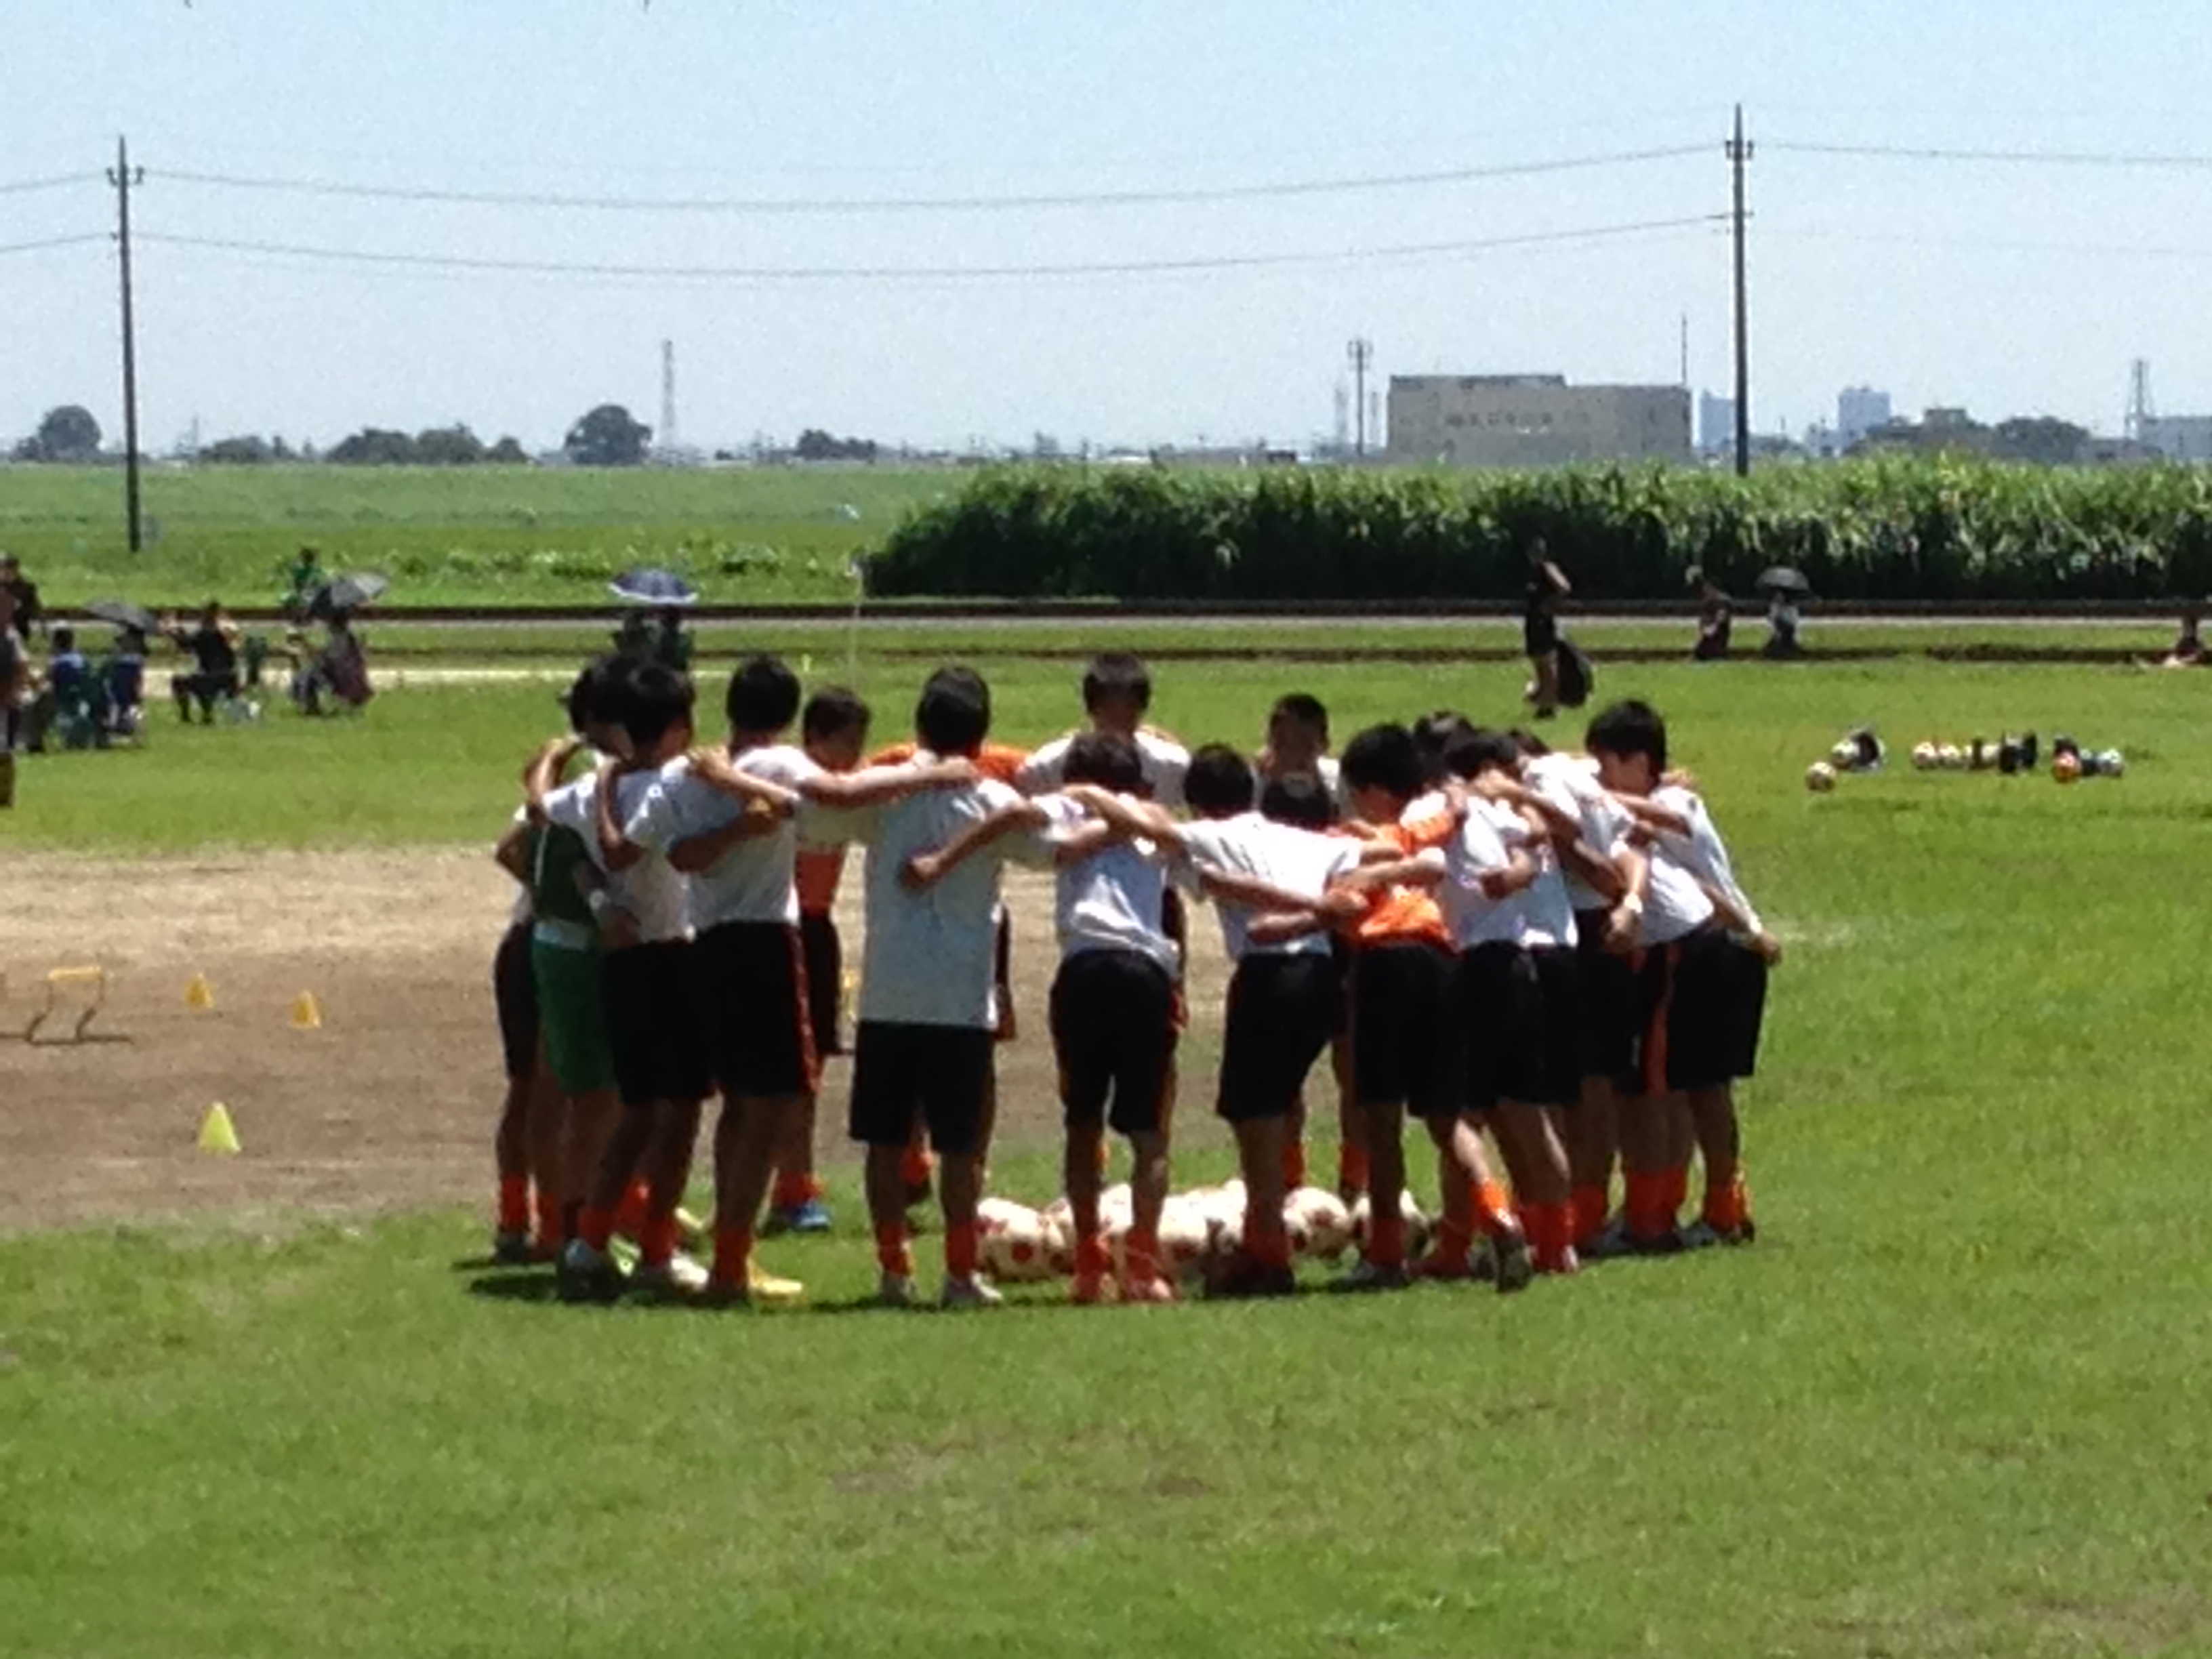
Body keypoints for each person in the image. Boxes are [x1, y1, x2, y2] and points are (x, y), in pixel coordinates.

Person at [613, 655, 978, 1305]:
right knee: (773, 1106)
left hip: (705, 943)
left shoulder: (684, 774)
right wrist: (932, 776)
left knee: (738, 1104)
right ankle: (731, 1263)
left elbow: (669, 852)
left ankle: (714, 1253)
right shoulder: (778, 763)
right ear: (786, 717)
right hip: (764, 944)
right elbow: (839, 796)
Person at [905, 731, 1184, 1306]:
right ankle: (1139, 1267)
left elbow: (1018, 816)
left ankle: (1090, 1264)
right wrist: (1107, 808)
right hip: (1140, 973)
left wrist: (1085, 797)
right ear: (1138, 780)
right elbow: (1150, 829)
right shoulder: (1145, 811)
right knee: (1148, 1132)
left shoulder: (1082, 807)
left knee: (1084, 1123)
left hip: (1084, 970)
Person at [1074, 747, 1364, 1298]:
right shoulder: (1306, 838)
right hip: (1323, 975)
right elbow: (1366, 856)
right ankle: (1266, 1235)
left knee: (1257, 1120)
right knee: (1274, 1107)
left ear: (1197, 803)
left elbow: (1143, 825)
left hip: (1268, 977)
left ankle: (1268, 1253)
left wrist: (1088, 793)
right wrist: (1323, 905)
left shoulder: (1210, 834)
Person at [1277, 724, 1534, 1292]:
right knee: (1447, 1116)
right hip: (1441, 957)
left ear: (1370, 792)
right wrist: (1459, 794)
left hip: (1384, 960)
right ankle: (1499, 1214)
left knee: (1382, 1117)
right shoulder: (1416, 830)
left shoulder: (1338, 841)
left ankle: (1387, 1253)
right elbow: (1455, 816)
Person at [550, 663, 714, 1300]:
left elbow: (540, 813)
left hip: (621, 962)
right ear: (676, 730)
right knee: (681, 1114)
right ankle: (656, 1251)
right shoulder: (674, 785)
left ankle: (589, 1241)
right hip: (671, 956)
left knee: (638, 1111)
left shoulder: (593, 786)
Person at [1583, 699, 1738, 1253]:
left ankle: (1659, 1216)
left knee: (1667, 1087)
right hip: (1707, 941)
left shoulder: (1671, 802)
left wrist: (1593, 797)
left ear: (1639, 761)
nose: (1598, 777)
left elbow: (1670, 822)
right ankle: (1696, 1206)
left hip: (1691, 946)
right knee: (1684, 1087)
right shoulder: (1654, 797)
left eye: (1606, 764)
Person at [771, 687, 874, 1234]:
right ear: (813, 738)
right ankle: (792, 1186)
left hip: (819, 929)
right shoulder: (801, 786)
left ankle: (794, 1180)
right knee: (792, 1068)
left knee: (812, 1067)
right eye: (845, 744)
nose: (853, 757)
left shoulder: (844, 789)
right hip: (788, 928)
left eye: (860, 745)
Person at [168, 602, 243, 722]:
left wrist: (174, 633)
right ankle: (207, 714)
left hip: (210, 676)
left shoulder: (204, 633)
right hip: (230, 677)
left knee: (179, 681)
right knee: (199, 679)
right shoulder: (224, 633)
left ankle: (188, 716)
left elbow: (185, 645)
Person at [1522, 540, 1572, 718]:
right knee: (1538, 662)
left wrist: (1549, 606)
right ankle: (1543, 702)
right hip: (1533, 621)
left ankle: (1550, 705)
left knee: (1547, 664)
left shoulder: (1547, 568)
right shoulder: (1534, 572)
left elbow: (1564, 588)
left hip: (1543, 622)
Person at [293, 613, 374, 716]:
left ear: (333, 625)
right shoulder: (348, 638)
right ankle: (310, 705)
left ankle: (311, 707)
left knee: (309, 673)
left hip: (344, 682)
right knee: (309, 672)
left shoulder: (340, 639)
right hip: (350, 681)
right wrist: (308, 647)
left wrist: (305, 645)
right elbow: (327, 657)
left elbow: (326, 661)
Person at [0, 586, 24, 806]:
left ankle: (4, 795)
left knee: (3, 750)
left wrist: (15, 691)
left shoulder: (11, 637)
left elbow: (20, 667)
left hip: (3, 698)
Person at [1692, 573, 1733, 661]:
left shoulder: (1722, 600)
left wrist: (1712, 628)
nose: (1704, 589)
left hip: (1717, 636)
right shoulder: (1707, 601)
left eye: (1707, 587)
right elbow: (1703, 620)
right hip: (1707, 636)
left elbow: (1721, 616)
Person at [0, 554, 42, 639]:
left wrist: (34, 622)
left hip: (19, 630)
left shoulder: (26, 589)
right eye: (2, 570)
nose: (5, 573)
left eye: (9, 570)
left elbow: (34, 610)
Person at [282, 547, 323, 618]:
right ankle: (304, 614)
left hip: (305, 594)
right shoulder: (316, 571)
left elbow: (296, 583)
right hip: (311, 594)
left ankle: (298, 615)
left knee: (288, 599)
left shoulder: (301, 571)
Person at [1763, 592, 1803, 659]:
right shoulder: (1776, 608)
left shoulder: (1790, 609)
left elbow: (1790, 628)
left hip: (1786, 631)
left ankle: (1785, 649)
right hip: (1783, 630)